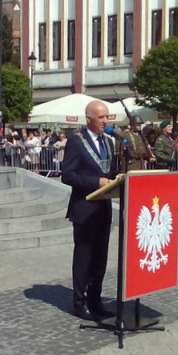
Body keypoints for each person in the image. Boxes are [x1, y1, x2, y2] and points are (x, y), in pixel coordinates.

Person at [61, 100, 121, 321]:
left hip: (103, 209)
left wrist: (118, 179)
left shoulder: (108, 141)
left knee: (100, 258)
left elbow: (111, 171)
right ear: (89, 119)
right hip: (84, 209)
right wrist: (96, 182)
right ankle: (78, 302)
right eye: (101, 117)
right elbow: (68, 174)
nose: (106, 121)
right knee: (84, 256)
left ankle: (95, 299)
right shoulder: (76, 142)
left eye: (107, 116)